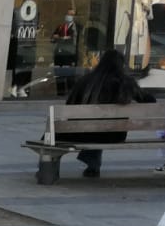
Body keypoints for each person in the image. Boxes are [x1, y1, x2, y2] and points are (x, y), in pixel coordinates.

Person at [59, 48, 155, 177]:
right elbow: (150, 100)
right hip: (114, 135)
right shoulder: (125, 82)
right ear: (121, 65)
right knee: (101, 129)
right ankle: (92, 165)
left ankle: (48, 165)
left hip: (81, 132)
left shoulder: (85, 80)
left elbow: (69, 106)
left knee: (61, 132)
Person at [52, 11, 80, 97]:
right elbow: (53, 37)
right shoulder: (61, 26)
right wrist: (60, 38)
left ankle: (70, 94)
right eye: (68, 14)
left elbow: (72, 39)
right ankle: (60, 93)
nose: (69, 16)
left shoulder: (76, 27)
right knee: (59, 76)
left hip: (70, 55)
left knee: (70, 76)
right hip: (59, 55)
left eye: (71, 15)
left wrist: (62, 38)